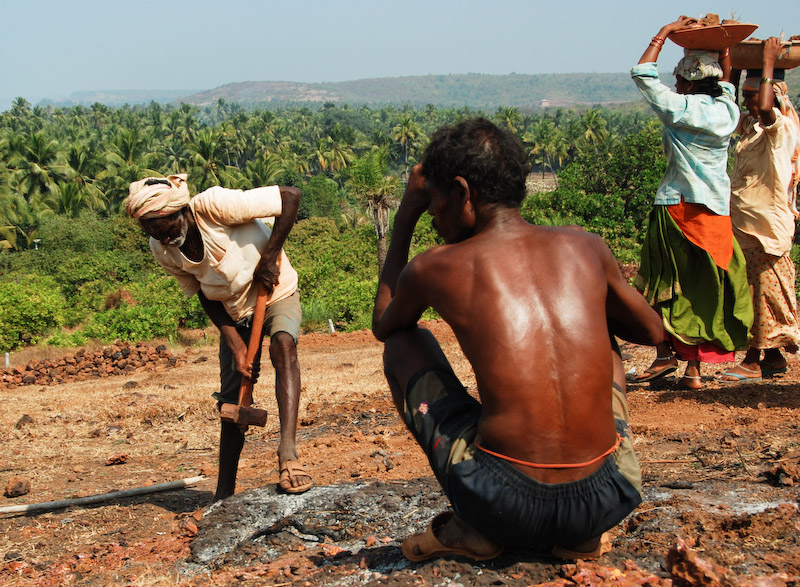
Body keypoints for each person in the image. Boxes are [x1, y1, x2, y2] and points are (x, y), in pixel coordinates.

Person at [372, 118, 664, 561]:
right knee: (605, 337)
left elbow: (384, 324)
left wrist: (405, 214)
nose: (433, 212)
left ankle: (473, 531)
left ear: (463, 192)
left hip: (500, 501)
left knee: (402, 344)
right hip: (608, 495)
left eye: (434, 200)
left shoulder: (434, 267)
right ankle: (579, 539)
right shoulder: (586, 246)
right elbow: (651, 331)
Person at [124, 174, 312, 500]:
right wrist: (234, 342)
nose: (157, 233)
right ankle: (223, 495)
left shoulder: (213, 206)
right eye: (148, 227)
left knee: (283, 346)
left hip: (275, 289)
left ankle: (288, 456)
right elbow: (200, 290)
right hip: (232, 311)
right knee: (233, 400)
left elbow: (291, 197)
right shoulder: (162, 249)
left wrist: (269, 257)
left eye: (161, 223)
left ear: (179, 211)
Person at [630, 16, 753, 390]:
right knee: (706, 286)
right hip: (715, 209)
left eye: (679, 78)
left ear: (686, 81)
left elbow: (642, 74)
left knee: (667, 283)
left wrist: (664, 33)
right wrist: (722, 49)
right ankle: (693, 372)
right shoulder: (727, 111)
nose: (675, 83)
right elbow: (729, 83)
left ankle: (666, 354)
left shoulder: (679, 108)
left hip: (678, 206)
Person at [717, 38, 800, 382]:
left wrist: (767, 62)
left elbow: (766, 107)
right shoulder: (751, 129)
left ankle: (754, 359)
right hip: (747, 225)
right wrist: (731, 63)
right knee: (752, 292)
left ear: (773, 96)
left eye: (754, 96)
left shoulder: (778, 127)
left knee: (763, 293)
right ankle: (773, 359)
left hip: (766, 227)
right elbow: (731, 106)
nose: (748, 103)